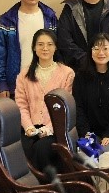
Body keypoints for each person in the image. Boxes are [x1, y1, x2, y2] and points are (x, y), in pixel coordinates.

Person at [15, 29, 75, 171]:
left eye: (49, 44)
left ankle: (45, 183)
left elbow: (65, 108)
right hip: (31, 128)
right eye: (40, 44)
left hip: (55, 129)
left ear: (55, 47)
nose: (45, 48)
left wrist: (48, 129)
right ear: (34, 48)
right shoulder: (24, 74)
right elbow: (21, 105)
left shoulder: (67, 73)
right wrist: (28, 127)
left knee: (41, 149)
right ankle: (27, 184)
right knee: (22, 147)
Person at [0, 0, 58, 98]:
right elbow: (0, 53)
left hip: (46, 82)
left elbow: (57, 50)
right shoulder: (7, 20)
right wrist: (1, 83)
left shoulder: (50, 18)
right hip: (17, 83)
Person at [72, 33, 109, 153]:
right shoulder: (80, 76)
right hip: (90, 132)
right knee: (85, 153)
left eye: (105, 48)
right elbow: (78, 107)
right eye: (96, 48)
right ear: (90, 51)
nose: (101, 53)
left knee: (104, 152)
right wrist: (85, 132)